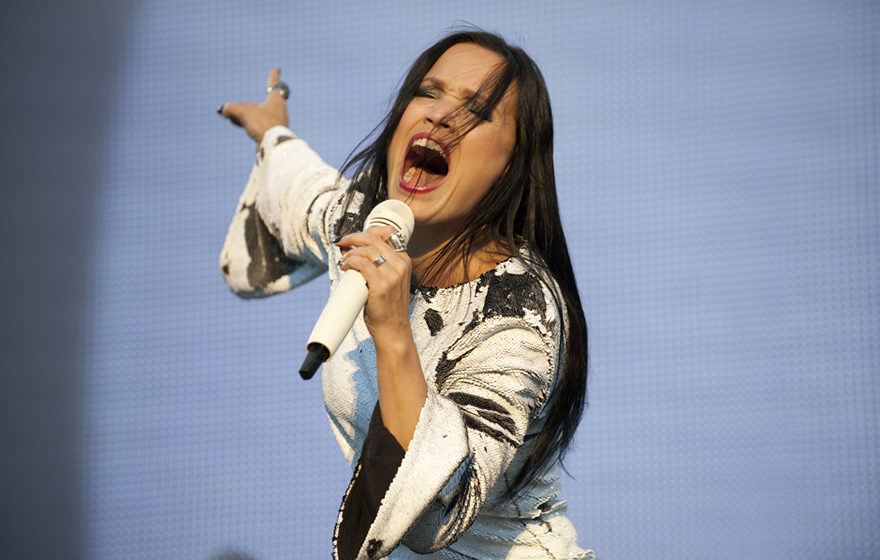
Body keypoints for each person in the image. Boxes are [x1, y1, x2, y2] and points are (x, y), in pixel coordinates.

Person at [218, 30, 594, 560]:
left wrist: (393, 329)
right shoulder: (363, 222)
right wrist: (273, 134)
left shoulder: (520, 316)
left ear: (513, 163)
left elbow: (432, 515)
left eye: (477, 111)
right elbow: (301, 189)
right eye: (428, 92)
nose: (439, 116)